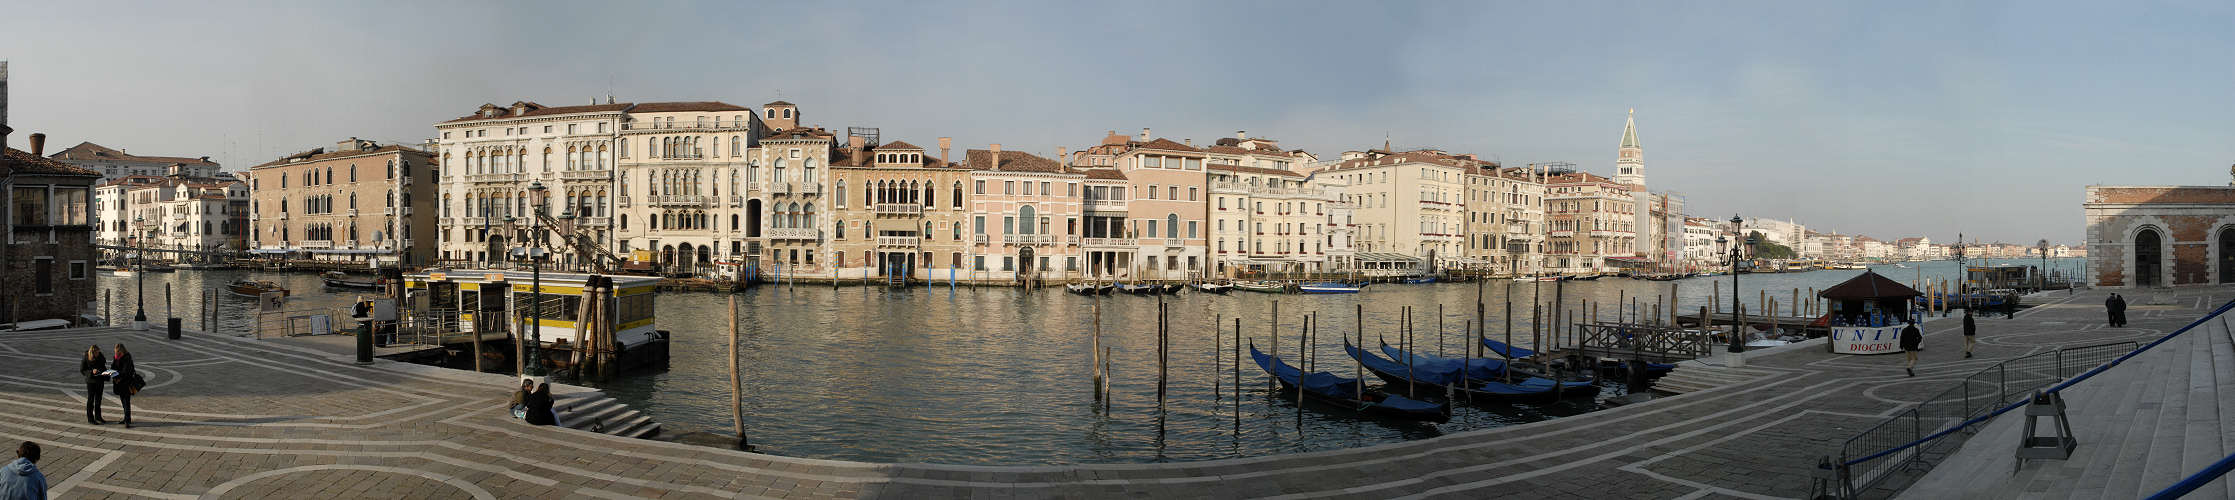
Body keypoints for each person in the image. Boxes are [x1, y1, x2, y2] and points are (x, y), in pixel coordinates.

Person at [79, 346, 107, 425]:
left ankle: (98, 417)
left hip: (100, 380)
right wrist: (91, 372)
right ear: (93, 352)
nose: (98, 353)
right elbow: (82, 370)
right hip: (91, 381)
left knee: (99, 399)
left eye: (99, 352)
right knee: (91, 399)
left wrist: (106, 372)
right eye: (97, 352)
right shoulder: (86, 357)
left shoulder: (100, 356)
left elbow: (103, 366)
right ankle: (90, 418)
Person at [110, 344, 136, 429]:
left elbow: (126, 371)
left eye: (118, 352)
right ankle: (126, 418)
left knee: (126, 402)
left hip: (126, 383)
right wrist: (113, 376)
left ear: (122, 351)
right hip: (119, 383)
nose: (116, 354)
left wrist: (119, 378)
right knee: (123, 401)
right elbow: (112, 367)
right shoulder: (116, 357)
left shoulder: (127, 358)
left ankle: (127, 420)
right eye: (116, 352)